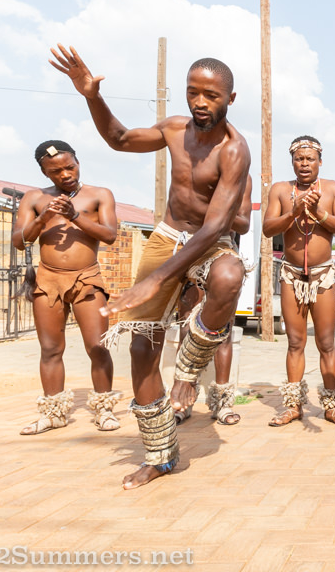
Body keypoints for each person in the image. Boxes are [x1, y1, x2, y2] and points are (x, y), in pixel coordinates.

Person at [51, 46, 251, 489]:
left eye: (212, 96)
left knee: (230, 275)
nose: (200, 103)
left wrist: (158, 279)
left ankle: (187, 375)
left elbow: (216, 225)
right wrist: (91, 97)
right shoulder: (175, 129)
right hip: (166, 236)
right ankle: (160, 455)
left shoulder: (235, 151)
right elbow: (120, 139)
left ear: (230, 99)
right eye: (192, 93)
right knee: (141, 350)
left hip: (208, 241)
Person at [13, 140, 120, 435]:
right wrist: (44, 218)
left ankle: (104, 410)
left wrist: (74, 215)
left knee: (98, 346)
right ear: (45, 173)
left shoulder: (99, 195)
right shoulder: (34, 198)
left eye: (70, 166)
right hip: (48, 279)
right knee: (50, 349)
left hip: (87, 278)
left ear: (77, 161)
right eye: (56, 171)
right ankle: (53, 413)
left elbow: (110, 235)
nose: (65, 174)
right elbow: (19, 240)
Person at [263, 135, 335, 427]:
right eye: (299, 159)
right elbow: (267, 228)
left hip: (323, 275)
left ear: (320, 161)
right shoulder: (280, 190)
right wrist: (295, 210)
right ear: (292, 162)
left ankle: (331, 405)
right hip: (291, 275)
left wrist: (317, 212)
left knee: (326, 343)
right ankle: (293, 406)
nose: (304, 164)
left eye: (310, 159)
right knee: (295, 342)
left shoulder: (334, 188)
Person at [174, 175, 254, 426]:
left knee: (222, 332)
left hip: (223, 251)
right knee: (186, 327)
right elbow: (178, 214)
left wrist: (217, 210)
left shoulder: (242, 177)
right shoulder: (189, 169)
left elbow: (242, 223)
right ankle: (182, 399)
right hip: (190, 249)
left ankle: (222, 401)